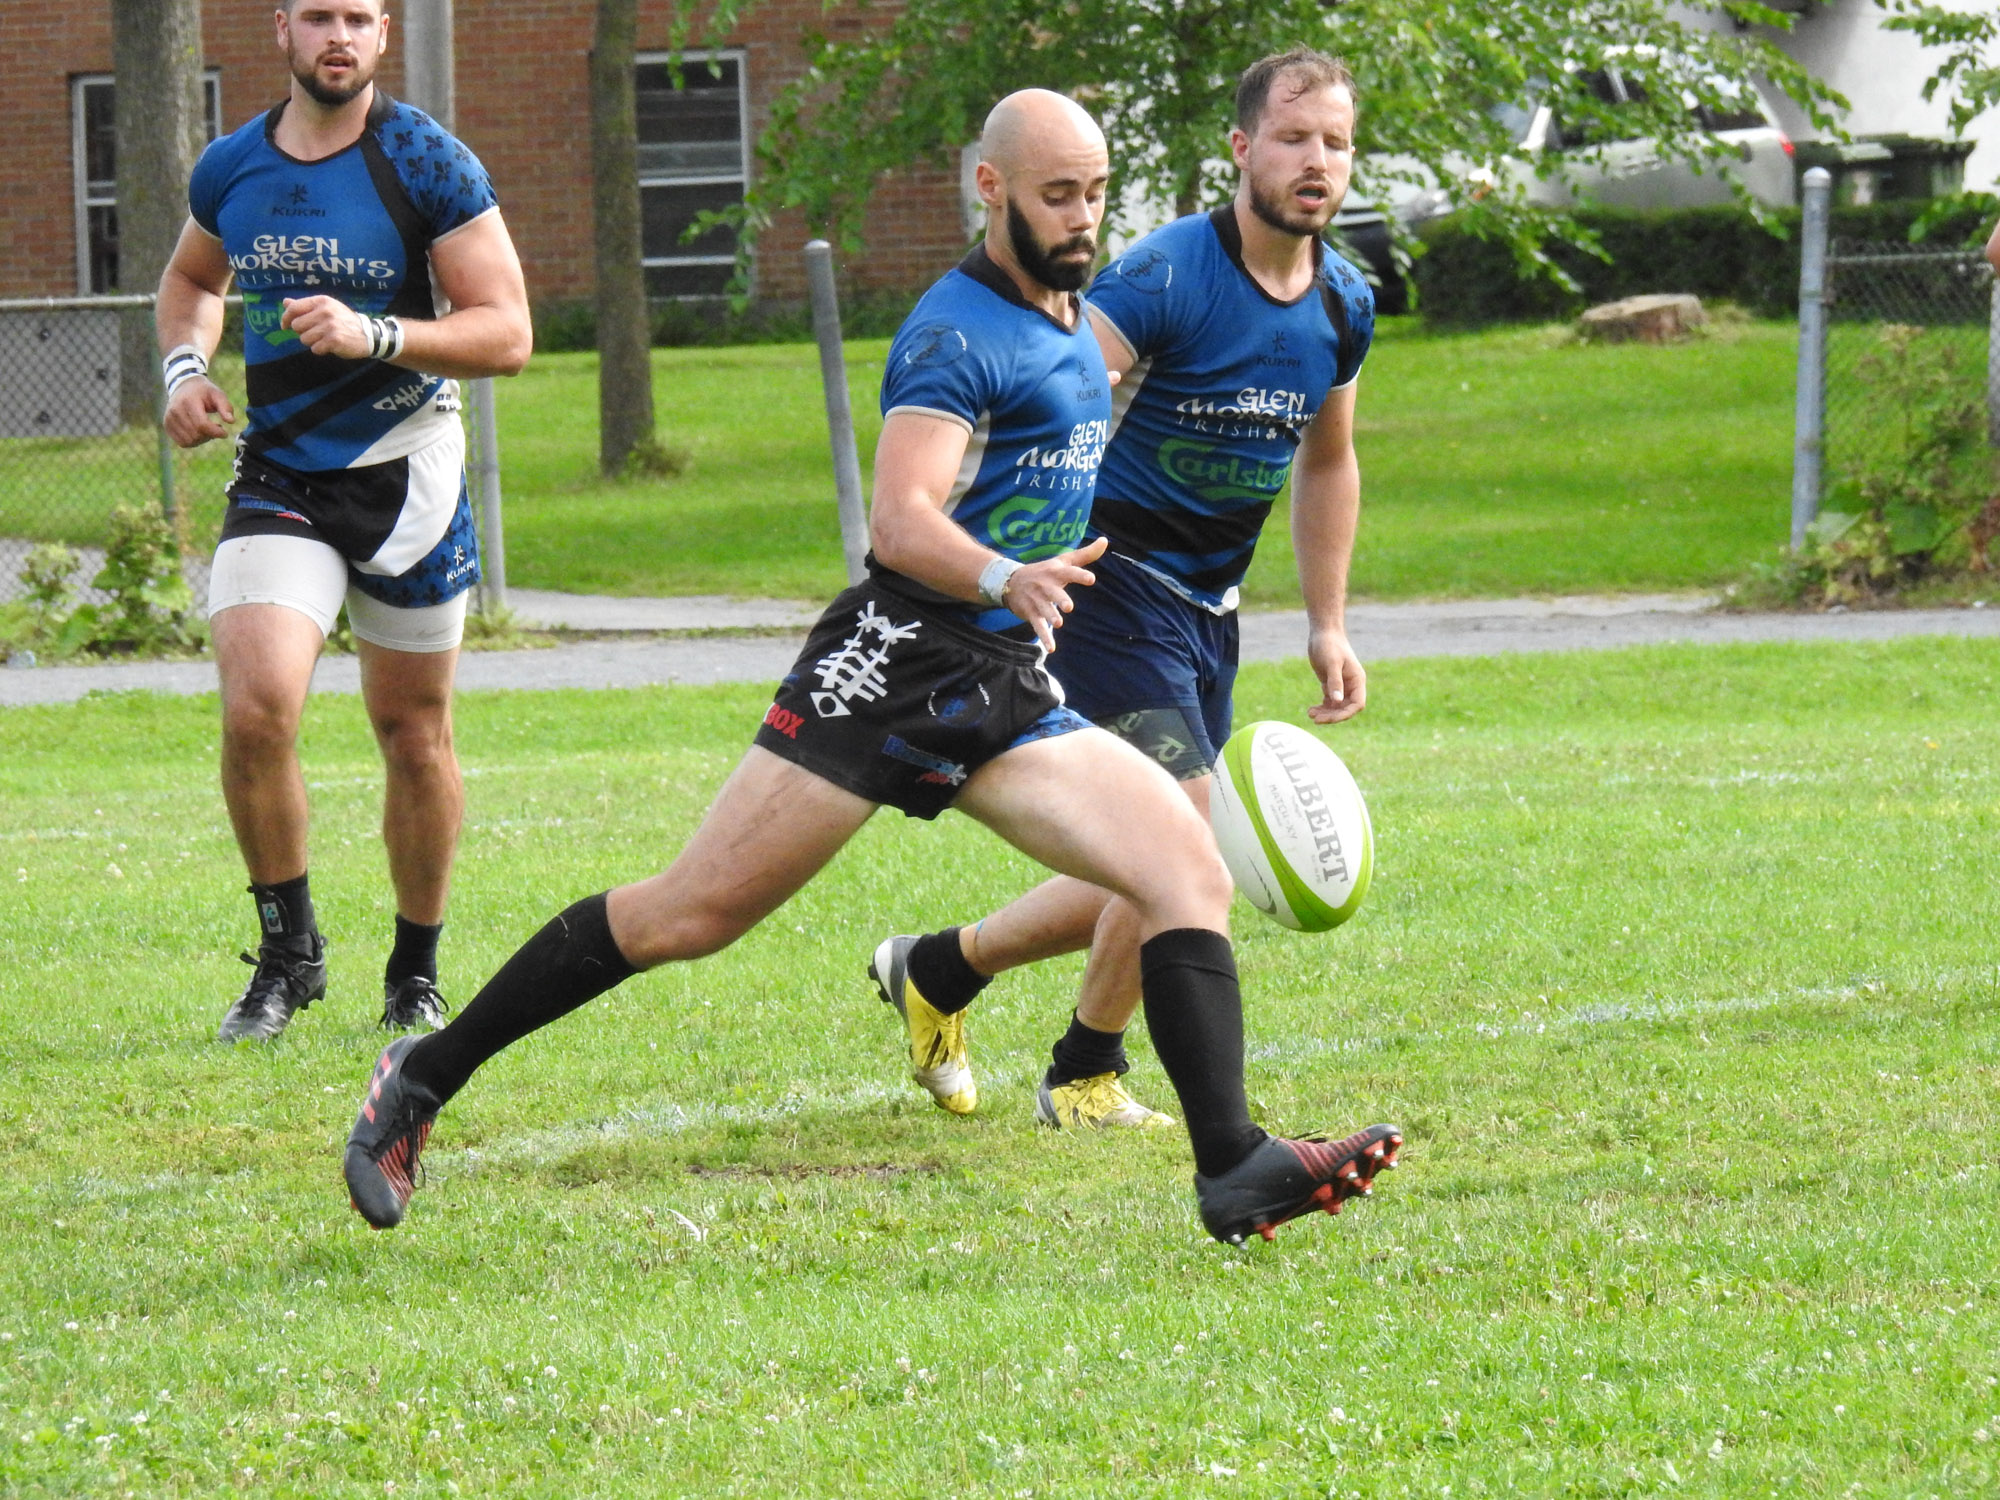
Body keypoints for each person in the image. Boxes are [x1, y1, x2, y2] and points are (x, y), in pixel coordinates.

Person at [341, 88, 1399, 1247]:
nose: (1082, 217)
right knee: (688, 916)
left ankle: (1232, 1167)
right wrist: (1004, 575)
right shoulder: (958, 333)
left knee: (1181, 868)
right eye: (1056, 195)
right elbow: (899, 521)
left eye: (1095, 192)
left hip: (1003, 681)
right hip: (894, 660)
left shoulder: (1073, 312)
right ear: (987, 188)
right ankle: (422, 1077)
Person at [869, 48, 1378, 1132]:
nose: (1315, 160)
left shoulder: (1343, 303)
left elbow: (1327, 461)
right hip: (1109, 587)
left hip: (1209, 612)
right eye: (1292, 138)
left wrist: (1327, 623)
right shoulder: (1164, 275)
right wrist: (989, 558)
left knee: (1165, 854)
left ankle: (950, 975)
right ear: (1241, 151)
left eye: (1334, 142)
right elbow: (1053, 385)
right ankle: (1083, 1069)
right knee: (1188, 836)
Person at [157, 0, 532, 1042]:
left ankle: (414, 970)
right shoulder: (231, 165)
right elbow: (192, 278)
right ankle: (288, 956)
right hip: (281, 476)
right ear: (280, 30)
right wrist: (185, 367)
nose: (339, 36)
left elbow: (506, 334)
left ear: (381, 38)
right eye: (319, 15)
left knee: (412, 735)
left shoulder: (427, 163)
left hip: (409, 479)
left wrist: (377, 333)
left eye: (360, 18)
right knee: (257, 711)